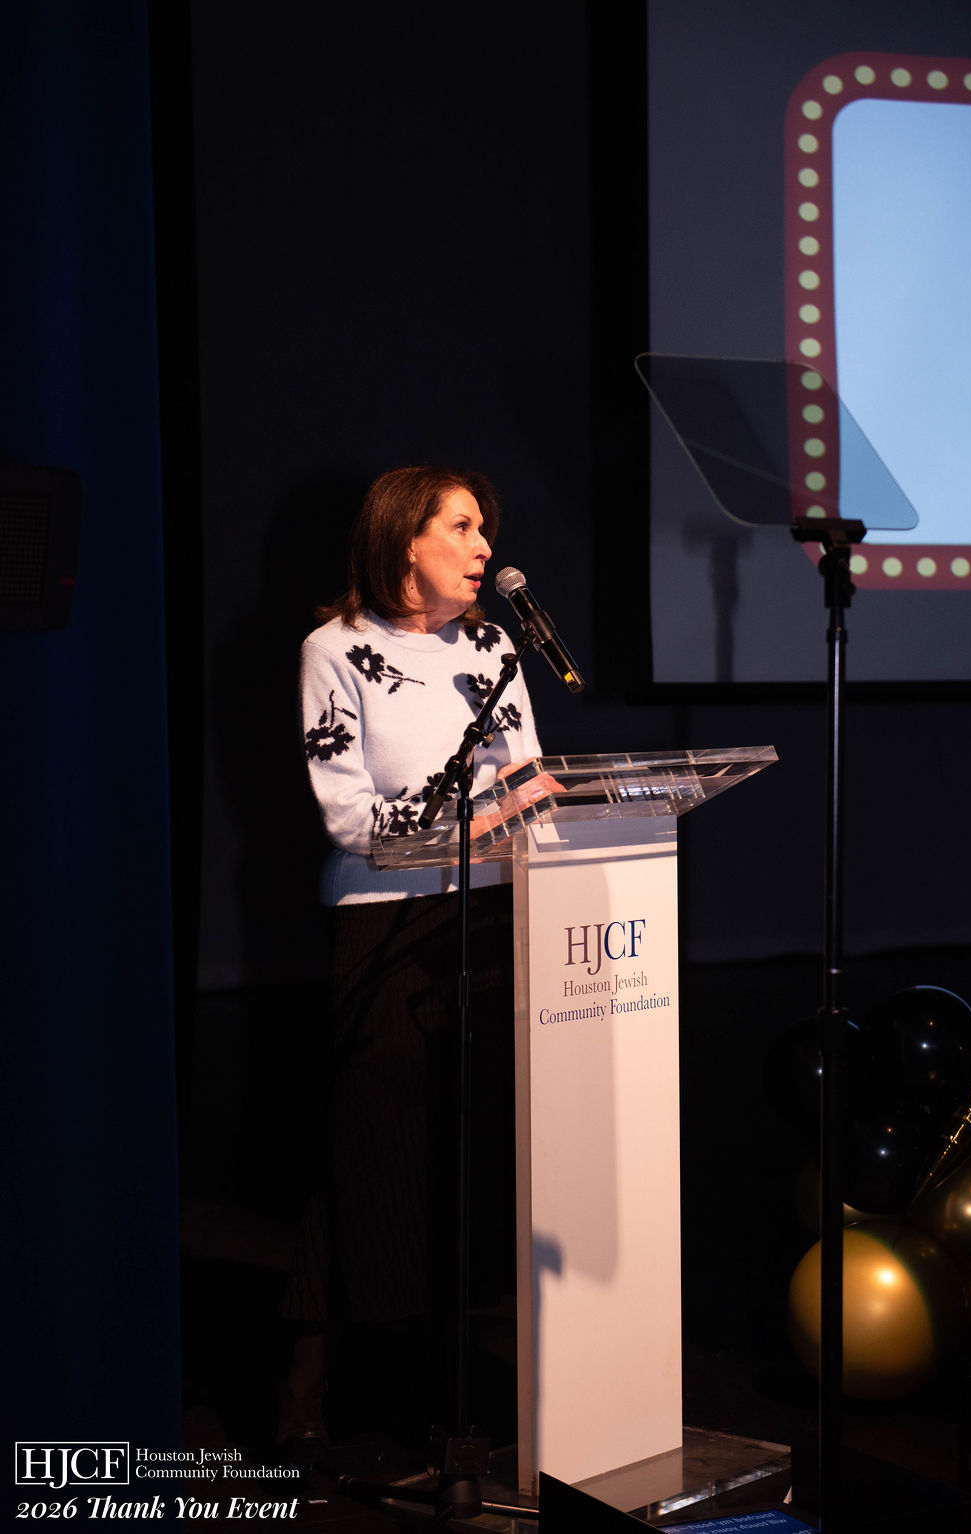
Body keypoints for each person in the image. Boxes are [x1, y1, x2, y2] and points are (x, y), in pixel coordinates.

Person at [278, 465, 554, 1455]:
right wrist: (483, 821)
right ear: (405, 540)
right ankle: (323, 1388)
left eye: (486, 528)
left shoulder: (493, 646)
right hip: (384, 929)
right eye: (464, 527)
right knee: (374, 1156)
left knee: (469, 1154)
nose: (486, 548)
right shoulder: (335, 649)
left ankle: (447, 1384)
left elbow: (528, 777)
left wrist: (529, 810)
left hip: (490, 920)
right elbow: (350, 815)